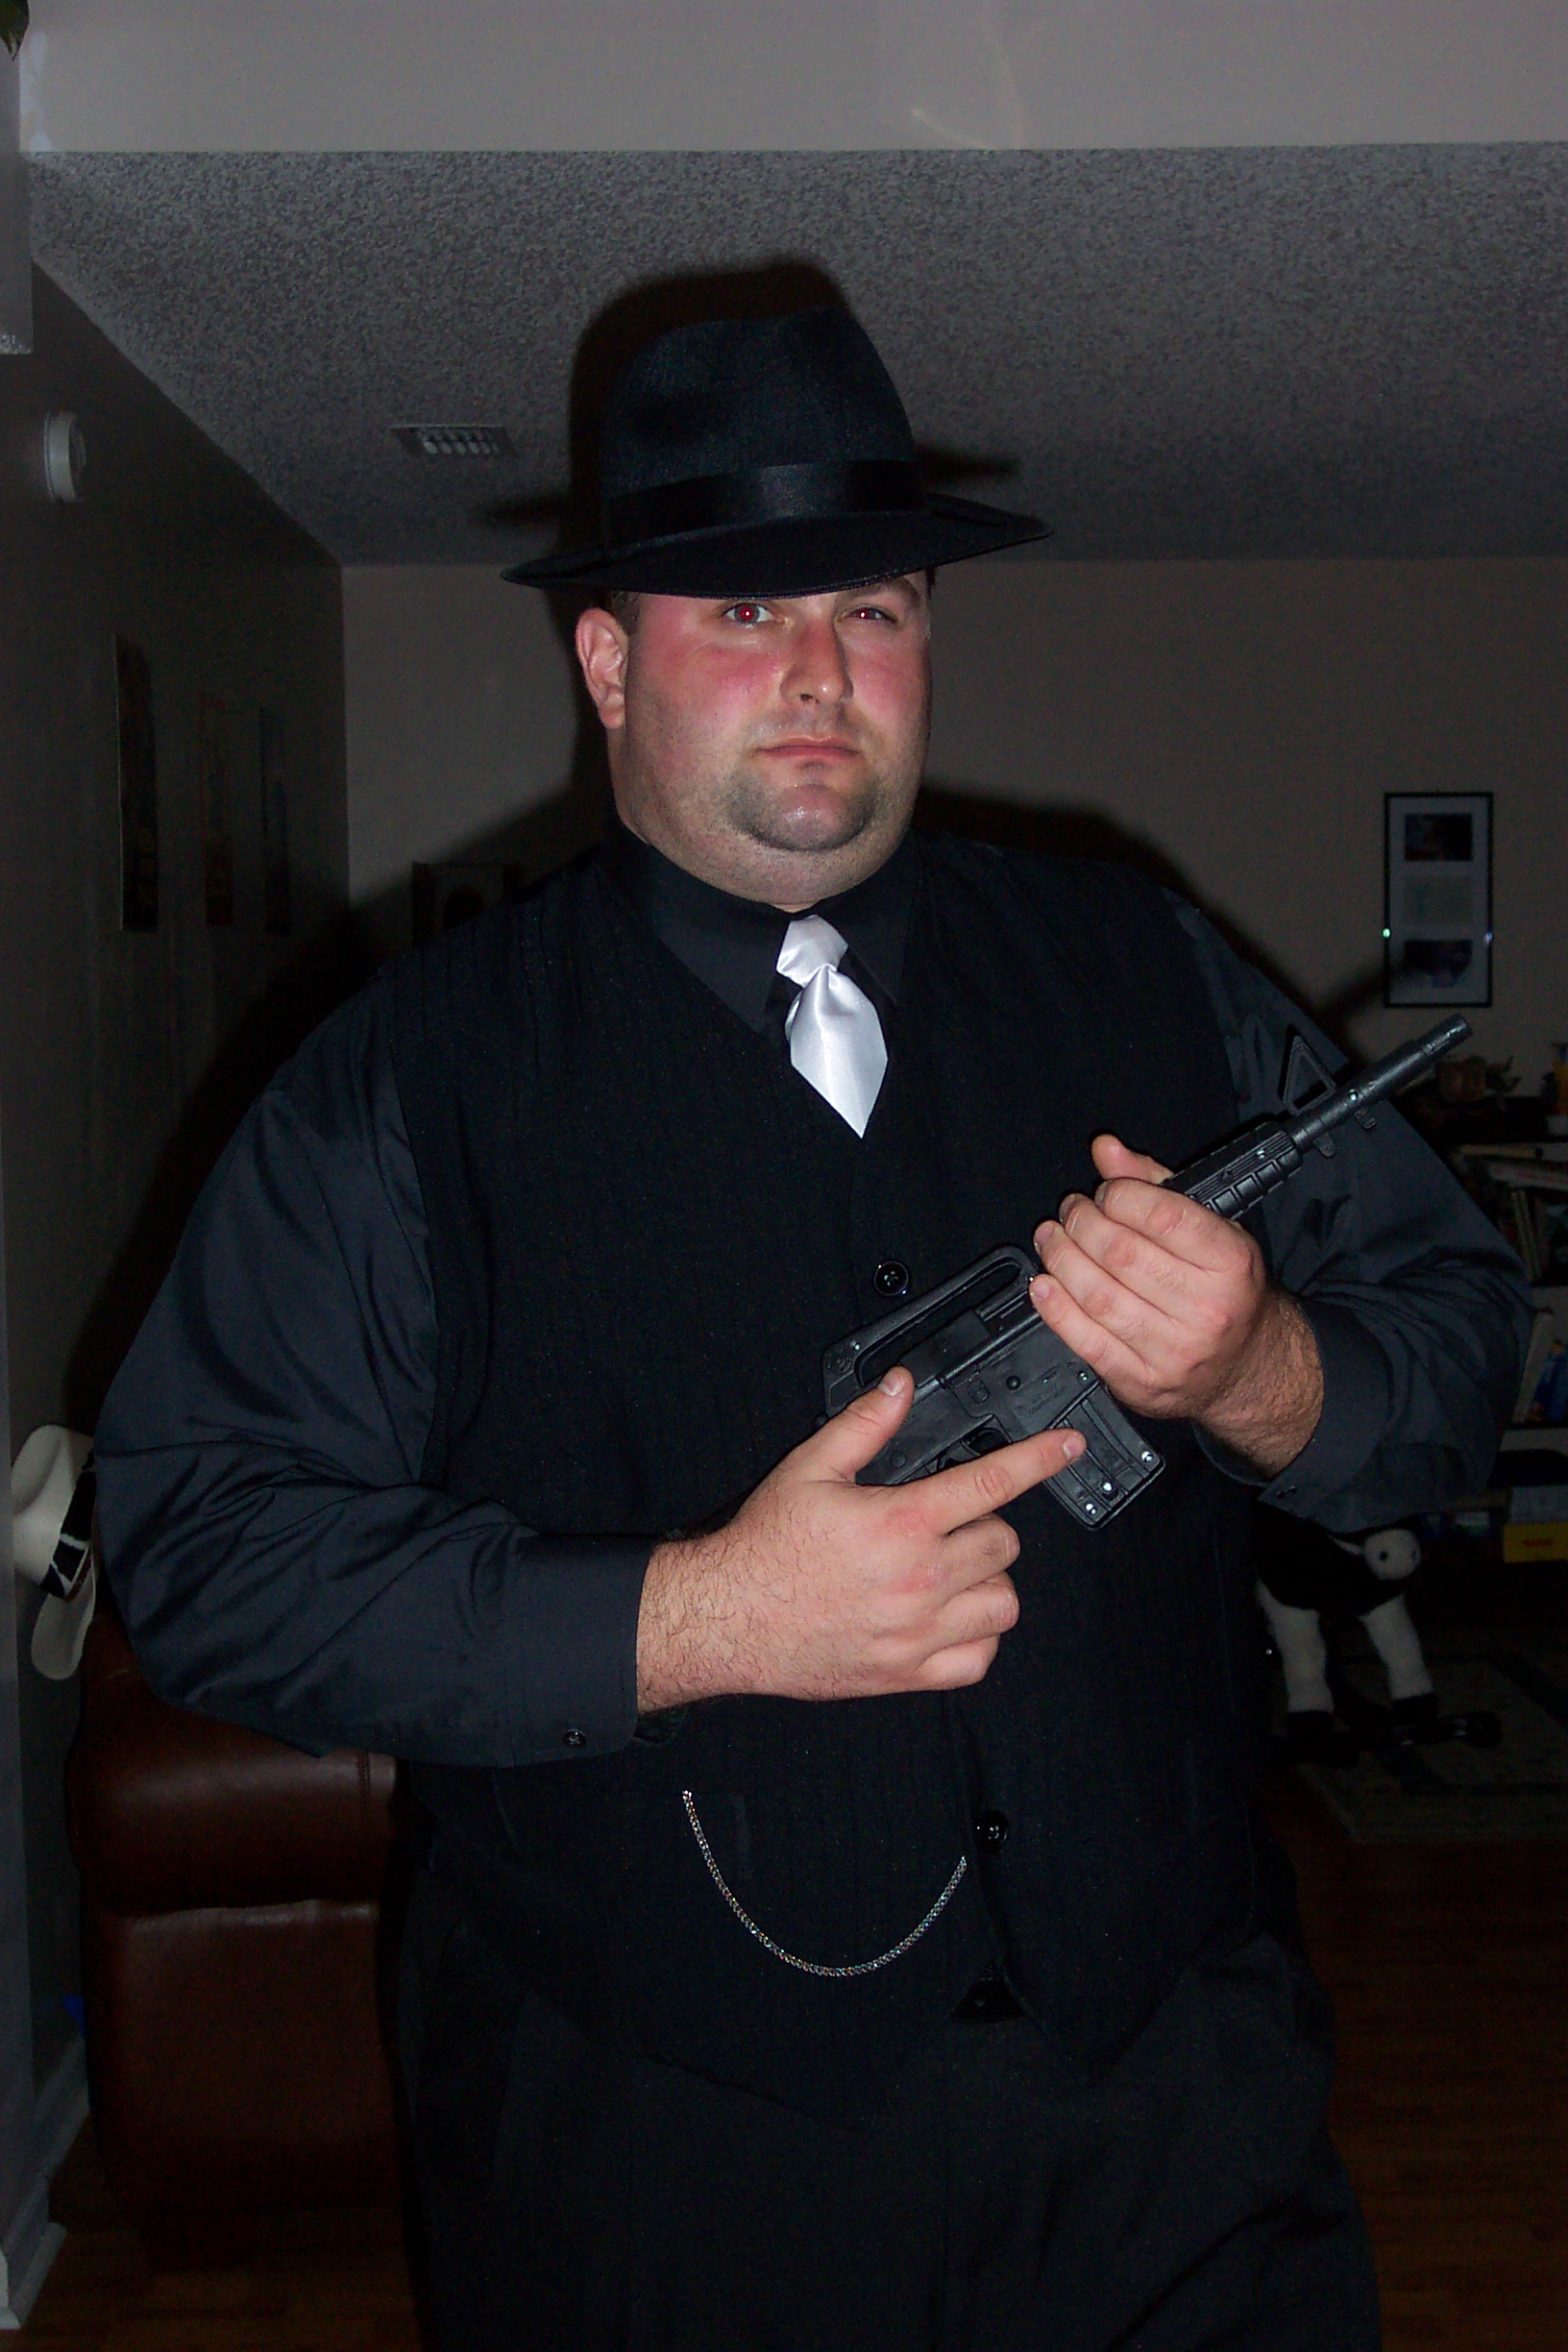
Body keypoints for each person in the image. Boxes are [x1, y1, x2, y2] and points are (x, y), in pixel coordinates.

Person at [96, 305, 1530, 2352]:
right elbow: (205, 1553)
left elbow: (1463, 1342)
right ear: (608, 662)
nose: (819, 674)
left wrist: (1264, 1370)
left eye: (873, 608)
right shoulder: (404, 1081)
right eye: (744, 609)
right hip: (662, 2150)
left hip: (1171, 2112)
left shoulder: (1147, 966)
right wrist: (694, 1621)